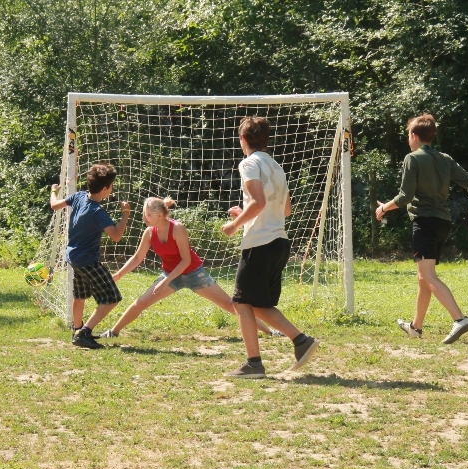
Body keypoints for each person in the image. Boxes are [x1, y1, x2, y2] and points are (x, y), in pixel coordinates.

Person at [375, 113, 468, 344]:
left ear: (415, 136)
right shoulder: (445, 158)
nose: (408, 139)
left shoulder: (413, 158)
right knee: (423, 278)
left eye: (409, 135)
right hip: (442, 223)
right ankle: (415, 327)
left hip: (424, 223)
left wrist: (384, 209)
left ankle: (460, 319)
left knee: (427, 276)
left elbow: (406, 196)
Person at [221, 116, 320, 378]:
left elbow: (259, 202)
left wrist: (235, 225)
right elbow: (285, 209)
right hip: (279, 242)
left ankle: (254, 363)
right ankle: (301, 341)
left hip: (260, 242)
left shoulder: (249, 163)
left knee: (241, 302)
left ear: (243, 139)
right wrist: (244, 214)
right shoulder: (276, 166)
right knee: (257, 304)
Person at [99, 197, 277, 338]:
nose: (144, 217)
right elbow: (138, 257)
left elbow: (185, 261)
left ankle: (270, 332)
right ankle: (113, 333)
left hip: (193, 273)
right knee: (141, 302)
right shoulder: (149, 232)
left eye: (147, 214)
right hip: (170, 274)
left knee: (231, 305)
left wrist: (166, 280)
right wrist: (119, 275)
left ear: (159, 215)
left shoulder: (178, 228)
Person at [50, 163, 130, 349]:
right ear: (104, 188)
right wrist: (125, 214)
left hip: (73, 257)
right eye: (111, 187)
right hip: (88, 261)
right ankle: (84, 332)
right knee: (112, 297)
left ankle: (76, 329)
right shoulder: (98, 212)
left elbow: (55, 206)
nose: (111, 190)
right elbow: (116, 236)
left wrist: (54, 191)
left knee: (81, 295)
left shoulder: (78, 196)